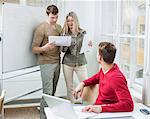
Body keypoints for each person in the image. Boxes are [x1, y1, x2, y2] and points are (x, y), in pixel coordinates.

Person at [73, 42, 134, 113]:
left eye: (97, 54)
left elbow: (128, 105)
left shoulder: (117, 78)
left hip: (106, 113)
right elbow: (95, 78)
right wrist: (82, 83)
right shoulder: (104, 70)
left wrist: (101, 108)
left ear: (100, 57)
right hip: (95, 109)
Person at [32, 5, 61, 119]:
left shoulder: (58, 27)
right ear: (47, 15)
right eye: (52, 17)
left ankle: (49, 115)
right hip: (46, 63)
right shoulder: (41, 28)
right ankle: (43, 117)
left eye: (56, 17)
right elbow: (34, 48)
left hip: (57, 62)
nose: (54, 20)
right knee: (47, 92)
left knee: (52, 93)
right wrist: (44, 48)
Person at [61, 11, 92, 103]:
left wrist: (89, 45)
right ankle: (72, 104)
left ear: (76, 21)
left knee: (85, 84)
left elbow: (87, 47)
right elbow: (62, 50)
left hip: (80, 62)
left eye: (72, 20)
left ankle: (85, 103)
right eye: (68, 21)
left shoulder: (83, 33)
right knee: (70, 87)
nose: (70, 23)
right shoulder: (65, 34)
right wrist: (66, 43)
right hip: (67, 63)